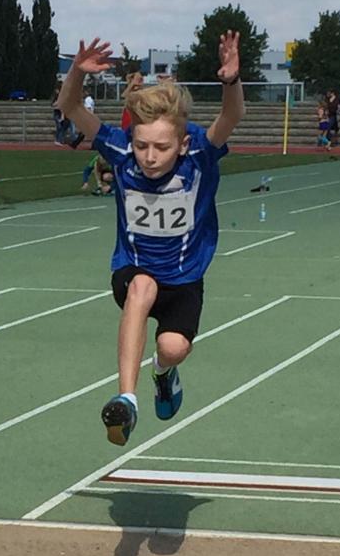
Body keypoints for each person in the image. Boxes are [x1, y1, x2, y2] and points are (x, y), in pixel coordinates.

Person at [57, 30, 244, 446]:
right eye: (142, 146)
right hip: (134, 270)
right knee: (141, 286)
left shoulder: (200, 155)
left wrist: (231, 80)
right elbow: (70, 107)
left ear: (182, 143)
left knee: (174, 348)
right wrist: (76, 72)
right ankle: (126, 399)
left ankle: (163, 372)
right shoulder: (120, 151)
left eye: (161, 147)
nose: (150, 156)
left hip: (185, 279)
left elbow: (231, 117)